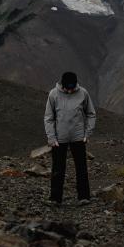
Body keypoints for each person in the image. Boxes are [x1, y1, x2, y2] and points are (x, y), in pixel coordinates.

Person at [44, 71, 97, 205]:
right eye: (67, 87)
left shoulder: (83, 93)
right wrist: (51, 137)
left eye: (72, 87)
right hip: (58, 139)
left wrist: (87, 134)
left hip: (78, 138)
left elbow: (91, 114)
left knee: (81, 168)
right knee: (58, 169)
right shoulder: (53, 94)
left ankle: (84, 197)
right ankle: (55, 199)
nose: (69, 90)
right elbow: (49, 118)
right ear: (62, 84)